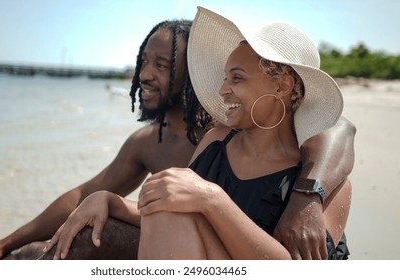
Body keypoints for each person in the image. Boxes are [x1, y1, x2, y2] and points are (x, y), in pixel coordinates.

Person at [0, 16, 354, 261]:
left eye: (163, 66)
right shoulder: (206, 141)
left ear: (283, 84)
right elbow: (100, 194)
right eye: (143, 63)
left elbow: (341, 129)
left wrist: (304, 196)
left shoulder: (314, 170)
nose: (145, 75)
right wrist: (107, 202)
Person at [136, 7, 352, 259]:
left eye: (236, 78)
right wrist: (110, 202)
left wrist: (214, 200)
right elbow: (179, 212)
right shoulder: (216, 142)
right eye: (225, 78)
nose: (223, 90)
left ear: (282, 86)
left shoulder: (323, 184)